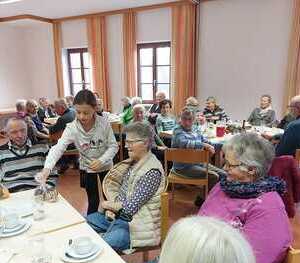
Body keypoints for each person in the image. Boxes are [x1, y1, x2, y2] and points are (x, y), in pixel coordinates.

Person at [198, 133, 292, 263]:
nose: (224, 168)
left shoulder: (268, 208)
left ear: (251, 169)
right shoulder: (224, 186)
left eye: (229, 164)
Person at [36, 89, 118, 215]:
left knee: (108, 198)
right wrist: (47, 168)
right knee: (93, 200)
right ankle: (92, 225)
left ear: (94, 108)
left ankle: (110, 223)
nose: (81, 116)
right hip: (87, 167)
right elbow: (58, 148)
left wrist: (102, 160)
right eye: (78, 112)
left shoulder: (104, 123)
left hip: (106, 165)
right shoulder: (72, 128)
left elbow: (113, 146)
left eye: (86, 113)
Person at [87, 122, 166, 251]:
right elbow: (122, 196)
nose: (125, 145)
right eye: (126, 141)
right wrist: (110, 208)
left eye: (130, 142)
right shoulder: (134, 163)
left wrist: (106, 205)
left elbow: (129, 208)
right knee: (83, 224)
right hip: (120, 219)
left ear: (145, 143)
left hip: (137, 227)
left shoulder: (152, 171)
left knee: (97, 248)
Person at [171, 107, 224, 189]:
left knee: (224, 175)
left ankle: (219, 198)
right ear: (180, 119)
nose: (187, 122)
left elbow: (205, 141)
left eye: (190, 119)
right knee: (214, 176)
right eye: (184, 119)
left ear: (194, 120)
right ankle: (203, 200)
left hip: (198, 163)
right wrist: (204, 145)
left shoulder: (196, 129)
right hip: (183, 167)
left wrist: (219, 146)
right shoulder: (177, 130)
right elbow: (184, 143)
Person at [0, 118, 57, 193]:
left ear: (27, 129)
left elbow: (52, 173)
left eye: (23, 130)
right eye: (14, 132)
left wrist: (46, 188)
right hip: (11, 194)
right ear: (7, 133)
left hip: (37, 191)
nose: (20, 135)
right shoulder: (1, 152)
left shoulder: (42, 148)